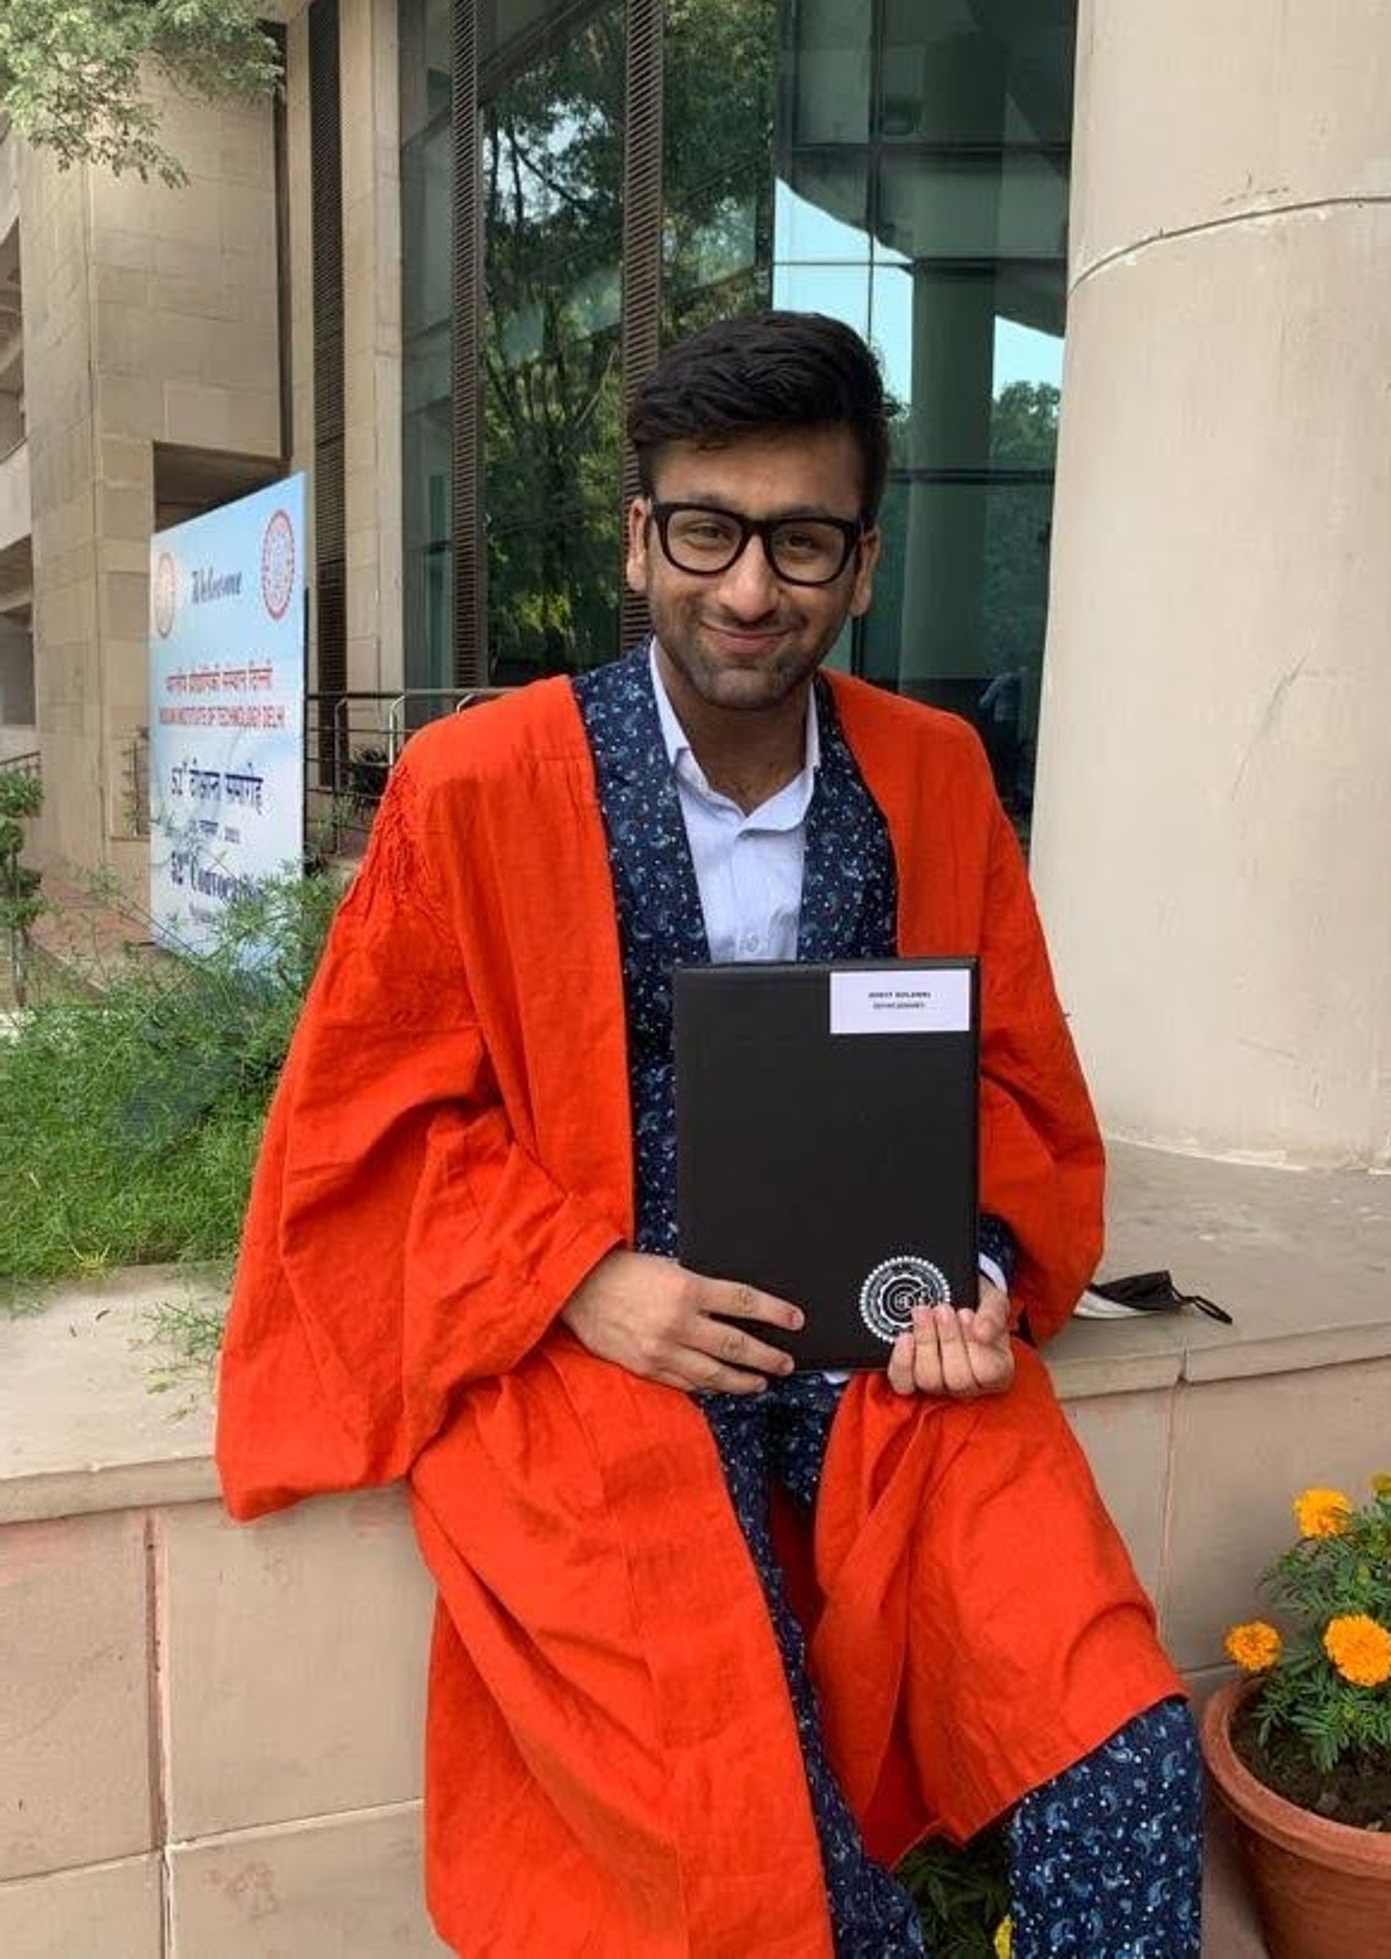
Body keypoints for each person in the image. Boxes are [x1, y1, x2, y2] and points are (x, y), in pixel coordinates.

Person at [217, 311, 1203, 1957]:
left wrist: (969, 1271)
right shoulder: (475, 784)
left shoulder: (935, 777)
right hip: (607, 1356)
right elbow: (375, 1122)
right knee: (756, 1851)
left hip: (890, 1347)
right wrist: (579, 1276)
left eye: (802, 540)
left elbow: (1014, 1084)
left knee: (1123, 1752)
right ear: (640, 540)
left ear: (862, 564)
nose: (750, 588)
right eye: (707, 531)